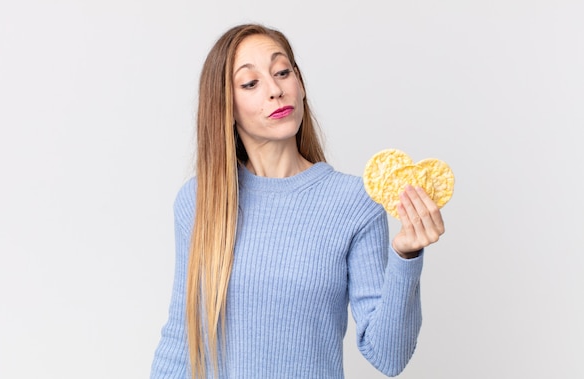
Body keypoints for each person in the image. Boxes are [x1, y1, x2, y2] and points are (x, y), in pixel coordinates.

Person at [150, 23, 445, 379]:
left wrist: (406, 257)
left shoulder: (354, 203)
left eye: (282, 72)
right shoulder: (200, 200)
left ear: (300, 85)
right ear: (226, 107)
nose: (275, 90)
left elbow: (388, 356)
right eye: (250, 83)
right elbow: (182, 341)